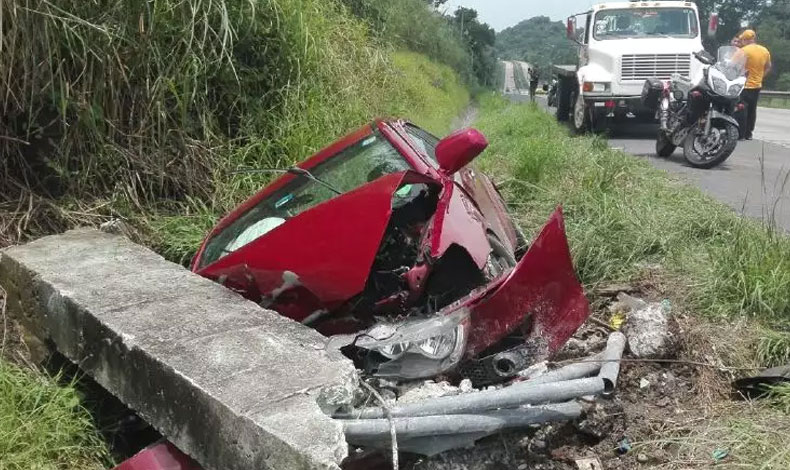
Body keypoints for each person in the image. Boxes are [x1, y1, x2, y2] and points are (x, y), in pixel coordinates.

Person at [739, 29, 772, 140]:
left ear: (745, 39)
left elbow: (731, 65)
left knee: (741, 108)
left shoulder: (743, 51)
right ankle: (749, 133)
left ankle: (741, 133)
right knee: (752, 110)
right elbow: (768, 67)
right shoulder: (764, 51)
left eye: (742, 40)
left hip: (744, 85)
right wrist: (760, 77)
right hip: (757, 85)